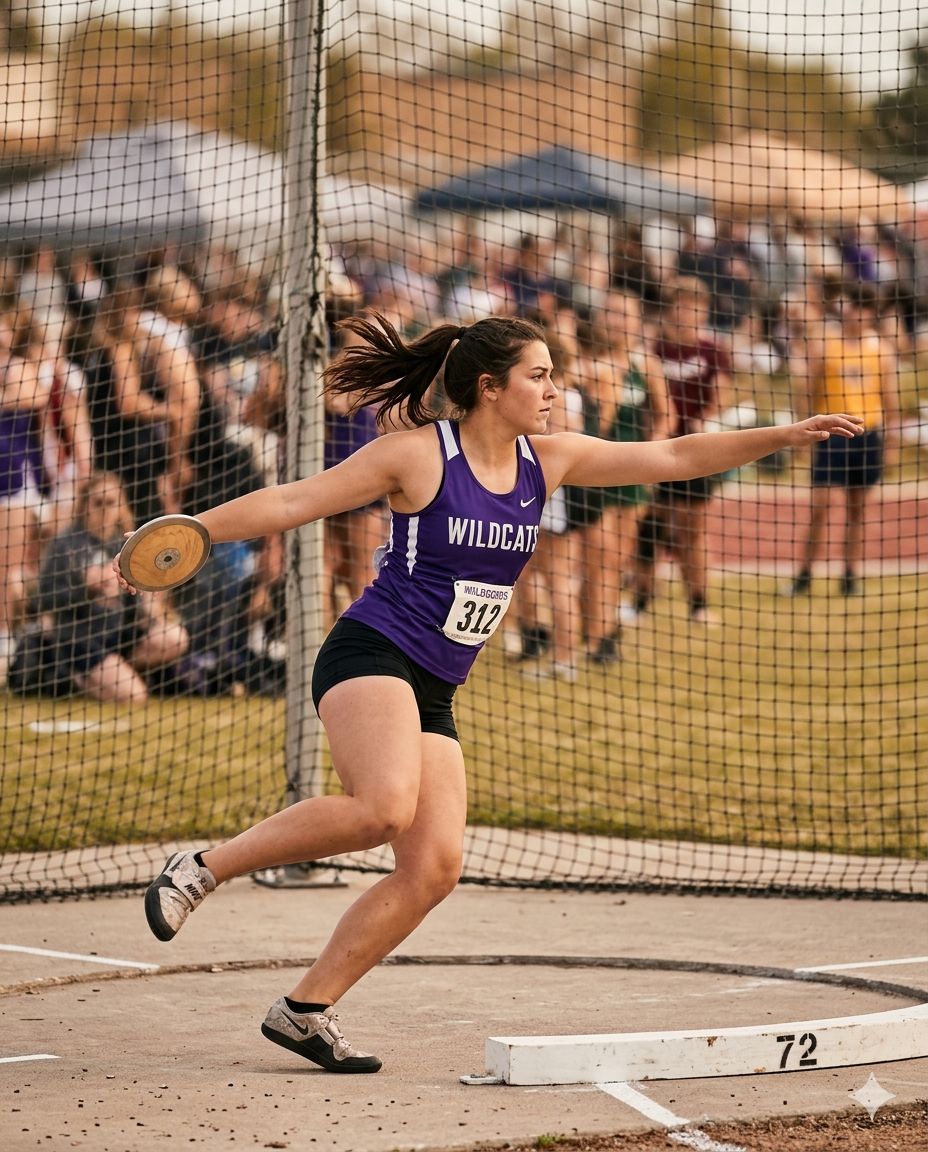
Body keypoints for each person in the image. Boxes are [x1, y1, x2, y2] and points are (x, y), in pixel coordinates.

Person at [116, 312, 860, 1074]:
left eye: (552, 376)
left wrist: (783, 435)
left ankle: (304, 1011)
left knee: (434, 866)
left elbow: (671, 454)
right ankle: (202, 867)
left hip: (436, 680)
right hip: (373, 650)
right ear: (488, 387)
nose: (552, 390)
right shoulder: (416, 455)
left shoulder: (551, 460)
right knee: (382, 808)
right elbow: (290, 503)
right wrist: (191, 531)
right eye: (537, 376)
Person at [788, 282, 899, 596]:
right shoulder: (826, 345)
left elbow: (890, 401)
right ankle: (804, 576)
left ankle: (849, 577)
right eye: (849, 307)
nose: (853, 314)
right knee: (820, 507)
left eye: (860, 308)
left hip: (867, 435)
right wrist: (804, 435)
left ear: (869, 313)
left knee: (857, 510)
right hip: (831, 436)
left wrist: (891, 446)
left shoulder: (882, 349)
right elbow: (808, 391)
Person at [37, 472, 188, 702]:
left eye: (111, 503)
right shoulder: (65, 544)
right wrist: (85, 588)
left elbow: (133, 606)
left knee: (176, 637)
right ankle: (73, 677)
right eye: (98, 503)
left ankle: (116, 673)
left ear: (121, 506)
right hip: (79, 638)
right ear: (85, 505)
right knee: (135, 696)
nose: (105, 509)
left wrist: (144, 603)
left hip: (119, 634)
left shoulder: (123, 544)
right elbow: (42, 598)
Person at [636, 277, 733, 624]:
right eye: (681, 306)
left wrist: (705, 417)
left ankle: (698, 602)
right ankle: (641, 599)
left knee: (693, 529)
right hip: (656, 450)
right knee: (650, 526)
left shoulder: (712, 351)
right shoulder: (654, 352)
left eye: (695, 307)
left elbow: (722, 395)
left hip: (696, 453)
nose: (687, 313)